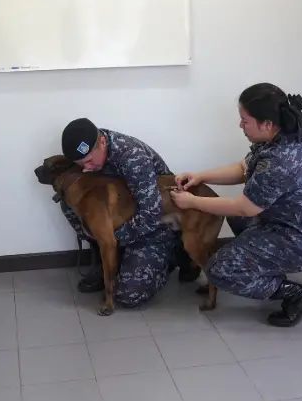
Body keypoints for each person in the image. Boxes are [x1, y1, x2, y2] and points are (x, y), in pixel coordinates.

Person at [170, 83, 302, 327]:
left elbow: (244, 207)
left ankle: (295, 294)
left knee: (219, 269)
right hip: (295, 223)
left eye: (245, 120)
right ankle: (267, 265)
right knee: (236, 217)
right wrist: (200, 176)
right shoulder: (282, 134)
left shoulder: (281, 160)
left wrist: (192, 202)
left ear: (266, 124)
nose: (240, 125)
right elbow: (244, 168)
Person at [60, 118, 200, 307]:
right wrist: (104, 239)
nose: (87, 168)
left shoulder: (132, 157)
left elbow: (152, 213)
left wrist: (112, 239)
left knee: (129, 294)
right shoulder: (89, 150)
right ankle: (108, 259)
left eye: (90, 161)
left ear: (102, 141)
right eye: (81, 164)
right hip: (125, 218)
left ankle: (173, 254)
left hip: (157, 225)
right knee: (69, 202)